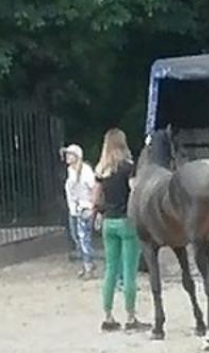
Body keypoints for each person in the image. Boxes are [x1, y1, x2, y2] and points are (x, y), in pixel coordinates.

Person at [93, 127, 148, 333]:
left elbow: (96, 198)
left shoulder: (101, 170)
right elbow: (135, 193)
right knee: (129, 272)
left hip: (109, 222)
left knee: (110, 270)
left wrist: (99, 212)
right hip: (127, 221)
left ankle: (108, 316)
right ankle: (131, 317)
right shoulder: (128, 168)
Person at [61, 143, 97, 279]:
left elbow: (93, 188)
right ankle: (87, 262)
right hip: (74, 209)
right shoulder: (71, 170)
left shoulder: (86, 170)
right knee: (77, 237)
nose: (67, 157)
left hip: (84, 207)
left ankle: (88, 266)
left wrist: (92, 206)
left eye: (70, 154)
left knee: (83, 238)